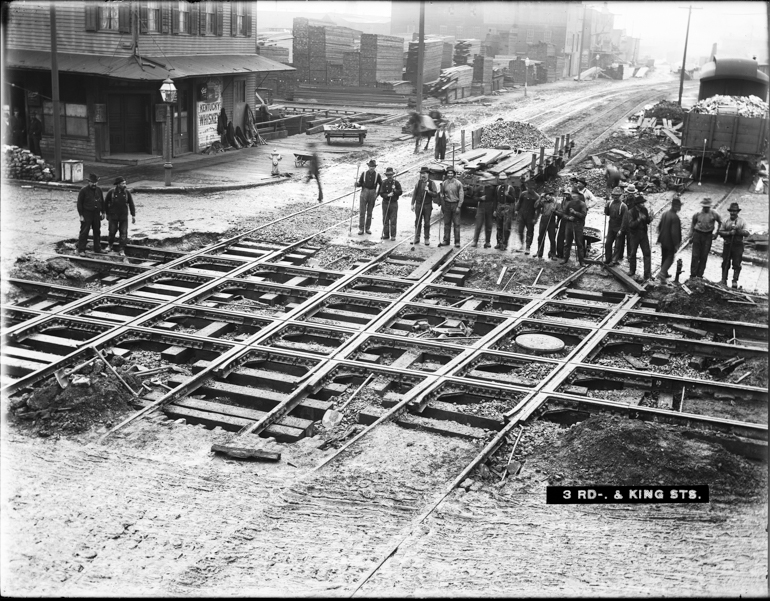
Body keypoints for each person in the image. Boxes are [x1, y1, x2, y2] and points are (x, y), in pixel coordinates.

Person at [718, 202, 750, 288]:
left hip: (738, 245)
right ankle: (724, 279)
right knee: (725, 262)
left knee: (736, 263)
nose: (733, 213)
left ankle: (735, 281)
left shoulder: (742, 221)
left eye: (734, 211)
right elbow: (720, 232)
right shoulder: (726, 221)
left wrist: (738, 230)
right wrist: (729, 233)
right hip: (728, 244)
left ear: (737, 212)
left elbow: (747, 233)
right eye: (731, 211)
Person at [689, 197, 722, 280]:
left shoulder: (714, 213)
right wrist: (691, 236)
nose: (706, 208)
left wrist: (717, 233)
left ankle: (700, 275)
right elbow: (693, 223)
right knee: (695, 255)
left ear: (710, 206)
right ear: (702, 206)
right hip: (698, 234)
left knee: (704, 256)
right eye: (704, 207)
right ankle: (693, 275)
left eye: (707, 207)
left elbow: (721, 222)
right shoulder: (697, 214)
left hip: (708, 236)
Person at [104, 176, 136, 257]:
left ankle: (121, 249)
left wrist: (133, 215)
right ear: (118, 184)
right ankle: (110, 245)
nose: (125, 185)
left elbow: (131, 204)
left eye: (125, 183)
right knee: (112, 232)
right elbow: (105, 203)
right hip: (113, 216)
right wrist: (106, 213)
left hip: (123, 216)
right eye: (123, 183)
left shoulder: (127, 193)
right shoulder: (111, 192)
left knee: (123, 233)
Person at [77, 173, 105, 256]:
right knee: (84, 232)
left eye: (96, 182)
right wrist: (81, 215)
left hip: (96, 214)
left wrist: (103, 212)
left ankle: (97, 248)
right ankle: (81, 249)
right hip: (87, 214)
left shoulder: (99, 190)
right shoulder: (83, 191)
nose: (94, 184)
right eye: (92, 182)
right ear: (88, 182)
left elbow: (102, 201)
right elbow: (79, 204)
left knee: (97, 231)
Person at [627, 192, 652, 281]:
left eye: (643, 203)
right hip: (634, 235)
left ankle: (647, 274)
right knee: (633, 253)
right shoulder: (630, 212)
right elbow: (630, 225)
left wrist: (650, 219)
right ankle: (632, 270)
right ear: (637, 204)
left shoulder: (644, 210)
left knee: (647, 253)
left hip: (643, 234)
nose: (643, 204)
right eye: (641, 203)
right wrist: (638, 219)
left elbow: (647, 221)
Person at [657, 195, 682, 282]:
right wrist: (676, 244)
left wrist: (661, 236)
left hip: (663, 240)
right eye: (679, 206)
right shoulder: (675, 217)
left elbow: (659, 227)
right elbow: (674, 233)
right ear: (675, 206)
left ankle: (665, 272)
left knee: (664, 256)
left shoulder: (665, 214)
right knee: (670, 257)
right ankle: (662, 273)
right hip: (670, 241)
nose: (679, 208)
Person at [411, 166, 438, 245]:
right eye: (422, 173)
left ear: (428, 174)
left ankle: (426, 238)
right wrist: (412, 204)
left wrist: (428, 191)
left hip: (427, 205)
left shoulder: (431, 183)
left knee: (427, 222)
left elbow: (435, 194)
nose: (423, 175)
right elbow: (414, 194)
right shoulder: (418, 183)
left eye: (425, 173)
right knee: (417, 221)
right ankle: (416, 237)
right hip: (418, 205)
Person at [438, 167, 464, 248]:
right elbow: (441, 194)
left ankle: (457, 241)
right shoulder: (444, 183)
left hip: (455, 204)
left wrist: (459, 206)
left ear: (454, 174)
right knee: (447, 223)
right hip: (447, 205)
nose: (450, 175)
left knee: (456, 224)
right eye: (448, 173)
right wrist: (442, 204)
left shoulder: (458, 183)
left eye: (451, 173)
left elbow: (461, 195)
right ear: (446, 174)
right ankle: (446, 240)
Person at [560, 190, 587, 266]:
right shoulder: (569, 203)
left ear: (579, 196)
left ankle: (581, 261)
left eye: (575, 196)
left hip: (578, 225)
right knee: (567, 243)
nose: (574, 197)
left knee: (579, 244)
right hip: (569, 225)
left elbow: (583, 215)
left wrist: (575, 213)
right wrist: (568, 218)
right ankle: (565, 259)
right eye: (573, 195)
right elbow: (563, 214)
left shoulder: (582, 204)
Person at [355, 159, 382, 235]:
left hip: (372, 193)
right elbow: (360, 183)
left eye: (373, 166)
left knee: (369, 212)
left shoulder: (377, 175)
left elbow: (381, 184)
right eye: (370, 166)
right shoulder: (363, 174)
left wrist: (378, 193)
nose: (371, 168)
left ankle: (367, 228)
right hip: (364, 193)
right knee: (362, 212)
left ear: (375, 167)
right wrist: (357, 184)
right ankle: (361, 229)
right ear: (368, 166)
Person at [514, 180, 540, 254]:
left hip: (530, 217)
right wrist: (516, 210)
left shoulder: (536, 197)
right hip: (522, 215)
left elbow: (538, 210)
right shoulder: (523, 194)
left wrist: (535, 219)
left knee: (530, 232)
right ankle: (522, 245)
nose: (529, 190)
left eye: (531, 188)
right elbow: (519, 202)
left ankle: (528, 247)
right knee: (520, 231)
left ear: (533, 188)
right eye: (528, 188)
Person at [604, 186, 627, 265]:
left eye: (617, 195)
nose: (616, 197)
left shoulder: (623, 206)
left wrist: (621, 230)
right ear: (612, 195)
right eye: (614, 195)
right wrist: (606, 208)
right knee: (608, 244)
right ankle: (608, 258)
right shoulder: (610, 203)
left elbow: (625, 220)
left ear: (620, 195)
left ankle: (614, 260)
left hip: (619, 227)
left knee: (617, 245)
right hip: (611, 227)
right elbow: (607, 214)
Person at [493, 172, 516, 250]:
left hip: (507, 208)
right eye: (501, 179)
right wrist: (495, 210)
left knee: (506, 227)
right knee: (499, 226)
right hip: (499, 207)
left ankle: (505, 244)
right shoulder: (498, 188)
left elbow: (513, 200)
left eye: (504, 179)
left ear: (506, 180)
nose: (502, 181)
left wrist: (507, 195)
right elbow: (495, 200)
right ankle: (499, 243)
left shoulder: (510, 188)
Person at [379, 167, 402, 240]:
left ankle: (393, 235)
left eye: (391, 175)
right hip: (385, 203)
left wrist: (394, 190)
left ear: (392, 175)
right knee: (385, 219)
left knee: (393, 219)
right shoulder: (384, 183)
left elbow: (400, 192)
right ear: (386, 175)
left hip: (393, 203)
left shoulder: (396, 183)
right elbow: (381, 193)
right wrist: (387, 195)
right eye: (388, 175)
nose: (389, 176)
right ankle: (386, 234)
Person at [534, 191, 558, 259]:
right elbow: (535, 206)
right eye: (546, 196)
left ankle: (553, 254)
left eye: (549, 195)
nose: (548, 197)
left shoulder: (555, 202)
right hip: (543, 220)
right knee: (541, 237)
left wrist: (555, 211)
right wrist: (540, 198)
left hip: (552, 220)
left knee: (552, 238)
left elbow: (560, 212)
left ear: (551, 196)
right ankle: (539, 252)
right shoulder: (543, 202)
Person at [472, 182, 496, 248]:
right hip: (481, 207)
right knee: (478, 225)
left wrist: (494, 210)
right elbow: (474, 197)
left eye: (488, 180)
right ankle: (475, 241)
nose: (487, 182)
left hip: (490, 207)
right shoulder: (479, 188)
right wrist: (480, 198)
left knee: (489, 225)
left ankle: (487, 242)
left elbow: (495, 199)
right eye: (485, 180)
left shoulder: (493, 188)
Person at [554, 187, 572, 259]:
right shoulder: (563, 201)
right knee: (560, 237)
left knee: (567, 238)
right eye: (565, 194)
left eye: (568, 194)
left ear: (570, 195)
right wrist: (557, 222)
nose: (566, 196)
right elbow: (561, 212)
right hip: (563, 220)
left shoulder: (573, 202)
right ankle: (559, 253)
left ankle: (566, 255)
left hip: (570, 221)